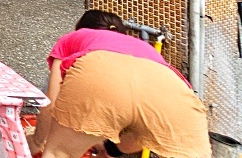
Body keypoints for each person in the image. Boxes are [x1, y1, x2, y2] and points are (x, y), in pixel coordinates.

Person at [30, 9, 210, 158]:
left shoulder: (76, 37)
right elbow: (141, 127)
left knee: (60, 153)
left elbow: (51, 101)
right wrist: (109, 150)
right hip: (175, 94)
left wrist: (38, 141)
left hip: (100, 76)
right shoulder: (145, 48)